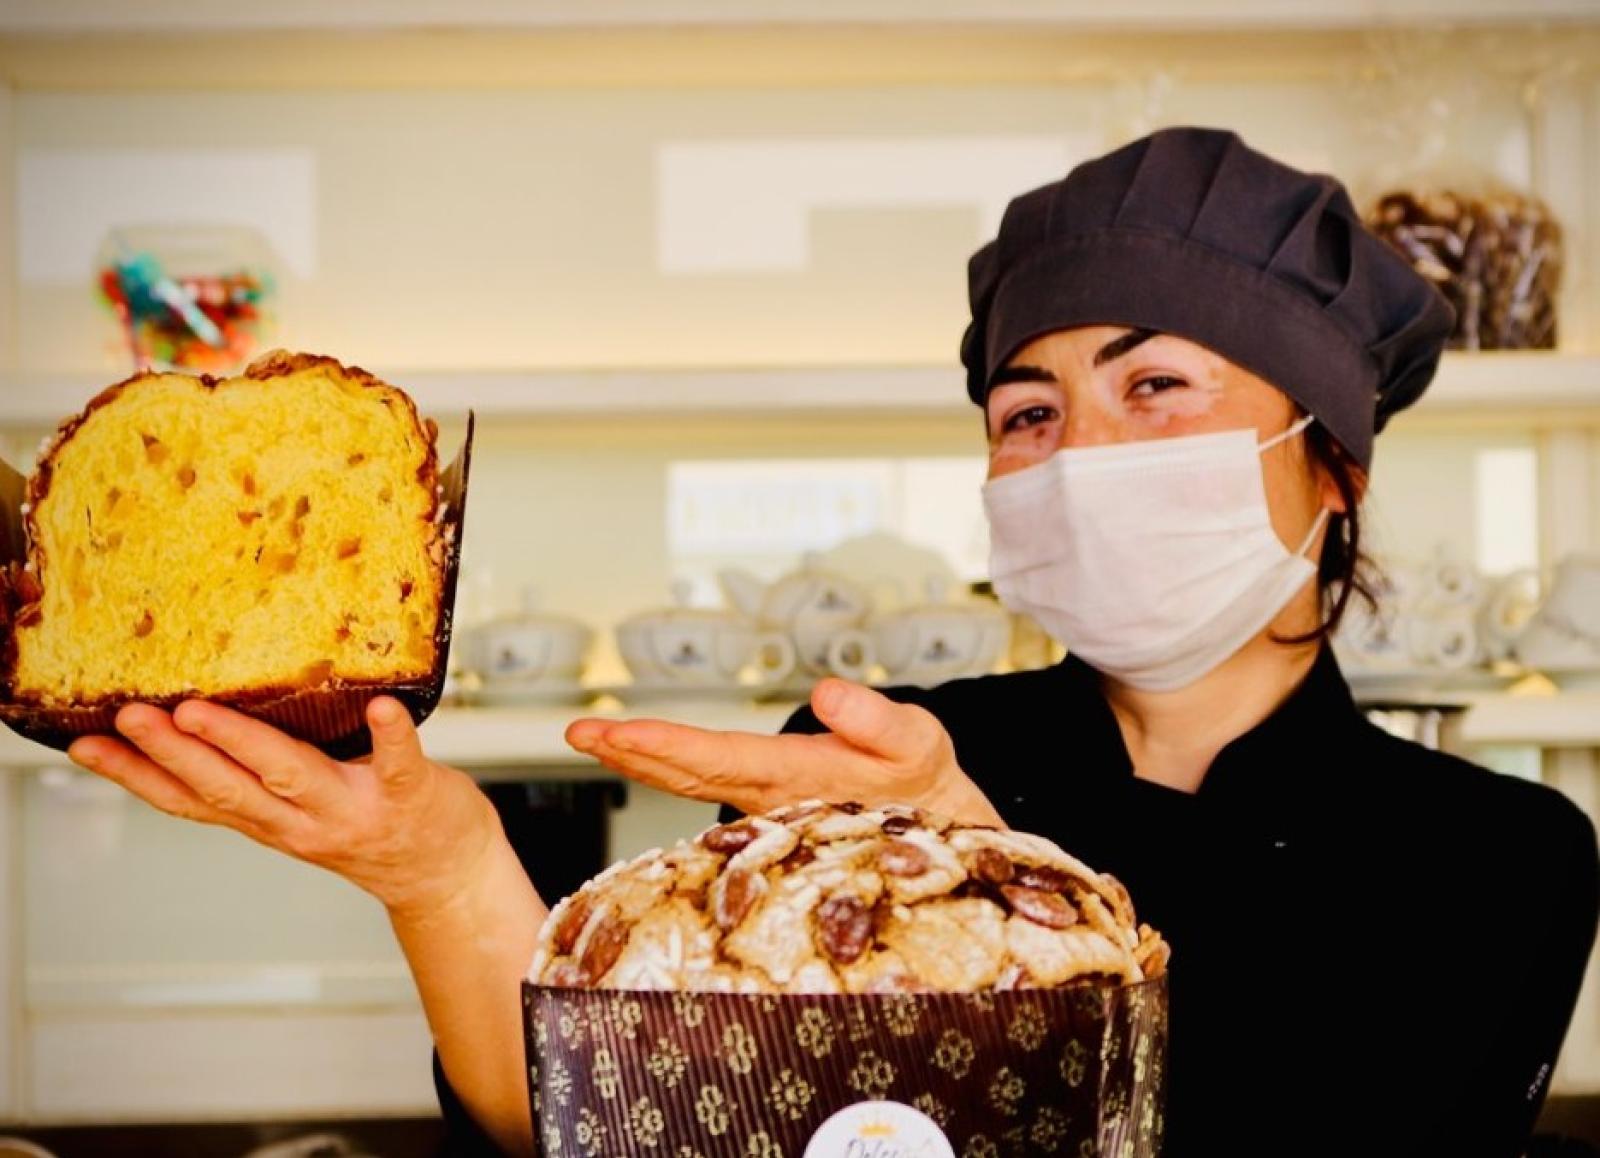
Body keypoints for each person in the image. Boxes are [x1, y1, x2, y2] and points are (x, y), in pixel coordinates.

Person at [67, 128, 1598, 1158]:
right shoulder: (882, 761)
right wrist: (442, 870)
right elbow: (623, 1119)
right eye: (1029, 414)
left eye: (1157, 388)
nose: (1079, 451)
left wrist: (1010, 887)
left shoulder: (1500, 851)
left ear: (1336, 465)